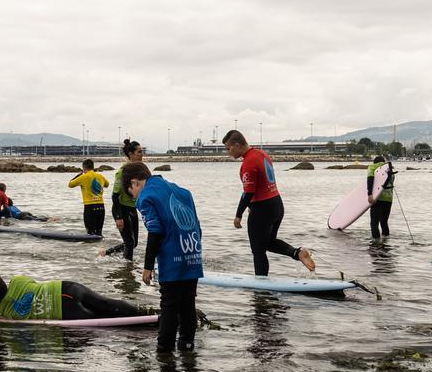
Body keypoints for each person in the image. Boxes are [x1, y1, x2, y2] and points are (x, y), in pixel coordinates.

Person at [123, 161, 203, 352]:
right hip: (192, 252)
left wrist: (147, 266)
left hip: (172, 259)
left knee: (169, 305)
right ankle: (187, 347)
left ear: (134, 183)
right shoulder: (183, 192)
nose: (134, 198)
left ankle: (164, 352)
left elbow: (155, 231)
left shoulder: (146, 197)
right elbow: (198, 227)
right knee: (188, 303)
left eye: (131, 193)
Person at [222, 130, 316, 275]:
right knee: (268, 243)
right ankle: (297, 253)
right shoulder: (262, 155)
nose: (228, 152)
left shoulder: (248, 162)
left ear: (237, 145)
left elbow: (248, 192)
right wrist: (252, 205)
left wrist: (238, 215)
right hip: (277, 205)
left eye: (228, 148)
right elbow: (262, 184)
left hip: (262, 209)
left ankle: (261, 290)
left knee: (258, 251)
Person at [0, 273, 150, 320]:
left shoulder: (5, 313)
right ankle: (147, 315)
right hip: (67, 287)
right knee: (107, 304)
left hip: (63, 310)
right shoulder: (18, 280)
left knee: (102, 319)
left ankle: (142, 323)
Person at [106, 139, 147, 260]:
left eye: (142, 151)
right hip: (121, 209)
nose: (142, 154)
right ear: (131, 154)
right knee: (129, 243)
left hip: (132, 209)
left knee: (133, 244)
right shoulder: (122, 172)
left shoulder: (138, 170)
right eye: (139, 152)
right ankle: (127, 271)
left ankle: (107, 253)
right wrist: (118, 218)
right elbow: (115, 196)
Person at [68, 159, 109, 235]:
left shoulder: (83, 177)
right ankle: (100, 246)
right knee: (99, 233)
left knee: (90, 234)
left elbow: (70, 184)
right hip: (101, 206)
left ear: (84, 168)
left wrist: (79, 175)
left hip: (90, 207)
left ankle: (91, 247)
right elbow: (107, 184)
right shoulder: (100, 176)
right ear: (93, 167)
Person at [367, 156, 395, 240]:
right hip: (389, 200)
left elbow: (370, 179)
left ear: (375, 162)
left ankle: (376, 243)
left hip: (378, 199)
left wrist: (370, 194)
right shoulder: (389, 169)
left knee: (374, 223)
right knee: (384, 222)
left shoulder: (373, 167)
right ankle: (386, 240)